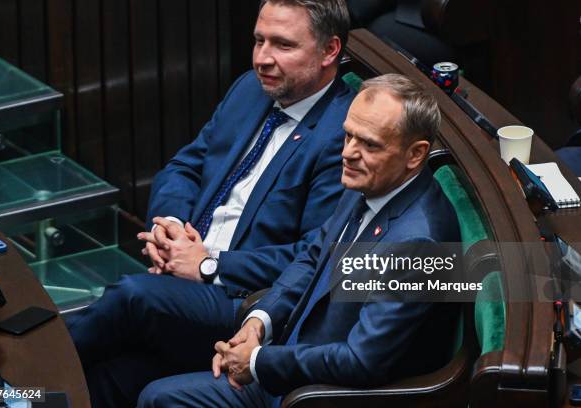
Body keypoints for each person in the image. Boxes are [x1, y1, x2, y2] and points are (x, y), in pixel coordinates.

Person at [66, 0, 353, 407]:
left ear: (329, 51)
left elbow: (313, 255)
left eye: (283, 45)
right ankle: (14, 397)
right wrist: (171, 228)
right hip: (182, 271)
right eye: (258, 40)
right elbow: (187, 164)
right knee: (111, 379)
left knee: (133, 297)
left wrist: (207, 263)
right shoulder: (249, 90)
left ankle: (15, 380)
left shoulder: (343, 136)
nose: (262, 58)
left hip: (239, 297)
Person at [136, 73, 462, 407]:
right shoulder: (369, 183)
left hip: (325, 396)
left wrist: (257, 361)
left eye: (369, 144)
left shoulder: (419, 242)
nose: (348, 153)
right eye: (348, 136)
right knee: (154, 392)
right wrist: (259, 323)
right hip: (290, 367)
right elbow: (310, 259)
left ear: (415, 154)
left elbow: (362, 361)